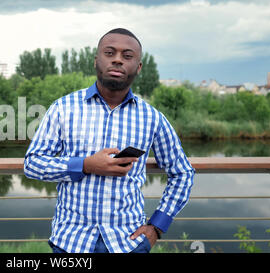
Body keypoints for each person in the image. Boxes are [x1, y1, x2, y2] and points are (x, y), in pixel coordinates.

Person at [23, 28, 195, 253]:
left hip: (128, 243)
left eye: (127, 56)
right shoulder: (63, 108)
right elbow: (33, 164)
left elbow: (182, 172)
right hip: (70, 243)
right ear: (96, 61)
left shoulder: (152, 118)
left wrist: (157, 226)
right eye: (110, 53)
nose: (117, 60)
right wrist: (85, 165)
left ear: (139, 67)